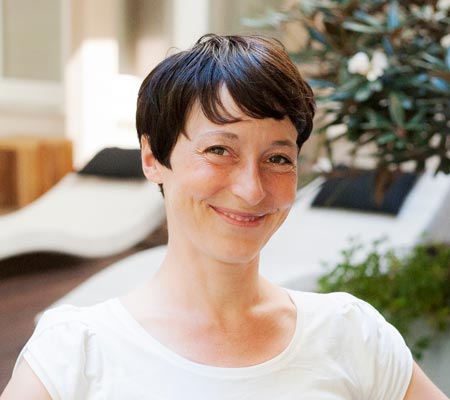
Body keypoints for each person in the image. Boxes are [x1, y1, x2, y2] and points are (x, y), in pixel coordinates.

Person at [1, 34, 448, 400]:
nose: (252, 189)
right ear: (153, 158)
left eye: (278, 158)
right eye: (219, 150)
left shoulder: (350, 334)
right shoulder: (76, 353)